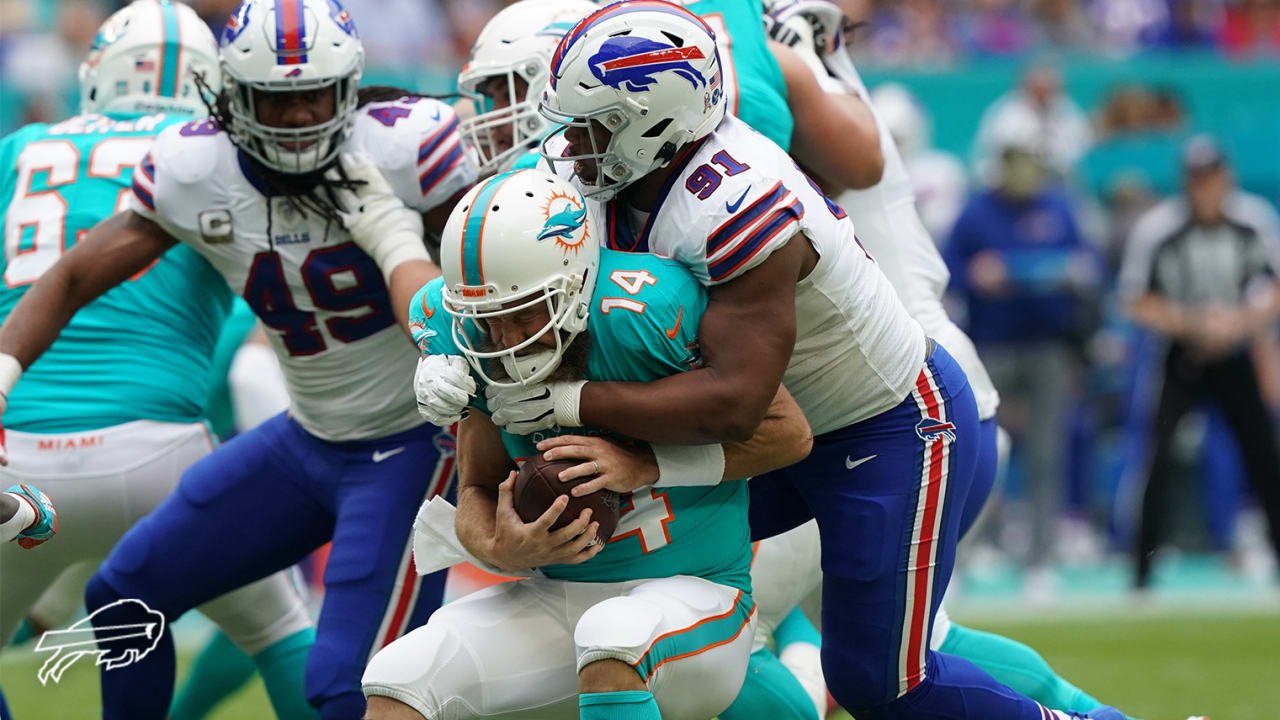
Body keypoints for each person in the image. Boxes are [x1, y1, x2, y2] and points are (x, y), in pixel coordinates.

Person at [421, 3, 1128, 718]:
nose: (568, 144)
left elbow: (737, 400)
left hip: (880, 426)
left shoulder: (736, 199)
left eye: (591, 125)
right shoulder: (607, 157)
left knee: (882, 679)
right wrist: (446, 350)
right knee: (676, 595)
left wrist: (570, 405)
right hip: (776, 432)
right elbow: (500, 243)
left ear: (656, 123)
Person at [0, 0, 478, 717]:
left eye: (312, 94)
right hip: (308, 438)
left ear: (348, 85)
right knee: (125, 594)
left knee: (346, 683)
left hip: (411, 441)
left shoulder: (406, 148)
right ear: (229, 96)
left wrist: (394, 240)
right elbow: (70, 275)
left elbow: (486, 292)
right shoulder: (198, 166)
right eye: (273, 99)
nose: (294, 118)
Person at [362, 169, 813, 720]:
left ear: (574, 283)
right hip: (556, 599)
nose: (506, 336)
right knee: (398, 676)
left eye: (522, 310)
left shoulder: (644, 314)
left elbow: (788, 433)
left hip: (696, 589)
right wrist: (501, 549)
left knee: (612, 635)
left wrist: (644, 465)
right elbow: (476, 487)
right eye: (489, 318)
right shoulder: (468, 335)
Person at [0, 4, 316, 718]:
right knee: (281, 628)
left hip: (15, 459)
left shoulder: (20, 150)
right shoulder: (214, 151)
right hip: (162, 455)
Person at [1118, 134, 1280, 589]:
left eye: (1211, 179)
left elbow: (1274, 289)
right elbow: (1136, 300)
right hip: (1181, 356)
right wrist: (1190, 322)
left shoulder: (1253, 221)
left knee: (1264, 455)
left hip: (1236, 353)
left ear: (1225, 178)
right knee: (1159, 455)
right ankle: (1141, 570)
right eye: (1196, 179)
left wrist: (1240, 323)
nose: (1204, 189)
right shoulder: (1160, 228)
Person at [945, 121, 1099, 582]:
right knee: (982, 448)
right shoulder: (976, 212)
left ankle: (1041, 557)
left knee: (1047, 451)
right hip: (992, 344)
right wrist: (976, 274)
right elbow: (947, 268)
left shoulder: (1060, 207)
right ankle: (980, 547)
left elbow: (1091, 265)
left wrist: (1069, 272)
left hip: (1048, 345)